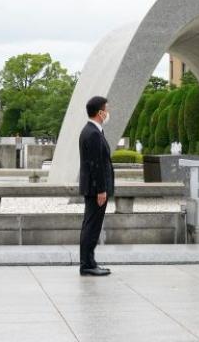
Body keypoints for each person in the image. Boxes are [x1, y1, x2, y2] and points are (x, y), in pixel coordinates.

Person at [78, 96, 114, 276]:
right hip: (95, 189)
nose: (108, 112)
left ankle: (90, 262)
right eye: (106, 109)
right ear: (100, 113)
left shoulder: (92, 131)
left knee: (91, 225)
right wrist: (101, 189)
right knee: (92, 226)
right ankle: (87, 265)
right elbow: (96, 164)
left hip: (93, 187)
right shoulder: (92, 133)